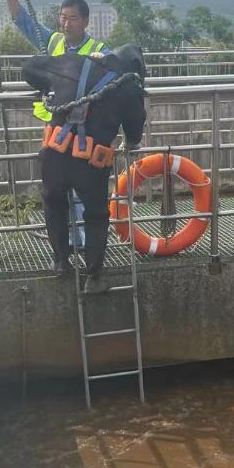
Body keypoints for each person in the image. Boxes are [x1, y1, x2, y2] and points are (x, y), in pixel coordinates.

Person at [22, 44, 147, 293]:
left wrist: (49, 88)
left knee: (54, 204)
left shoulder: (71, 62)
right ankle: (94, 276)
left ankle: (61, 261)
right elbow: (135, 132)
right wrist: (129, 141)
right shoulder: (129, 86)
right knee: (96, 215)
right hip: (91, 164)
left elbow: (29, 68)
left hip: (55, 156)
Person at [0, 0, 108, 248]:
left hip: (85, 132)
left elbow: (114, 79)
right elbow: (22, 20)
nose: (65, 23)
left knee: (82, 188)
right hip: (56, 130)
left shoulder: (98, 51)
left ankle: (82, 241)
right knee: (57, 188)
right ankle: (66, 242)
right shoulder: (53, 42)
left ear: (85, 22)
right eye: (62, 17)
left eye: (72, 18)